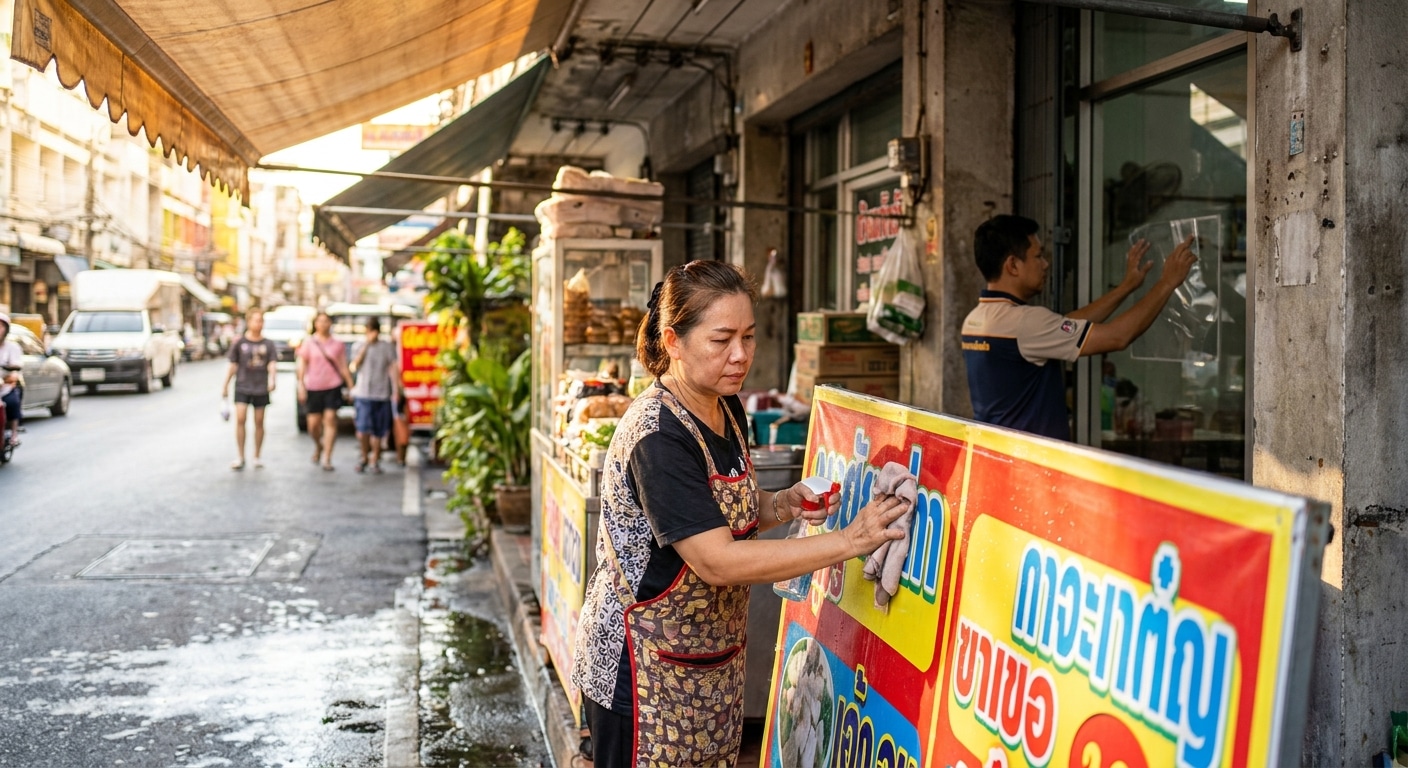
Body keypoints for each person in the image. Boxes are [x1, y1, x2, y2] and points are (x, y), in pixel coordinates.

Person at [570, 260, 908, 768]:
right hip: (639, 673)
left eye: (748, 337)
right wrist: (850, 541)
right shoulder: (658, 436)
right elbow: (717, 560)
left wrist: (783, 503)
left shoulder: (726, 407)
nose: (740, 355)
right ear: (673, 341)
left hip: (707, 665)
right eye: (721, 339)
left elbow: (723, 510)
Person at [961, 214, 1197, 441]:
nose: (1045, 264)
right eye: (1038, 256)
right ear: (1013, 265)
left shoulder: (975, 319)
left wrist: (1126, 287)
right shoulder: (1024, 322)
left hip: (996, 450)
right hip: (1031, 459)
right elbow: (1118, 337)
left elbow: (1063, 327)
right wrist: (1167, 282)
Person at [220, 308, 278, 470]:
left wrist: (272, 379)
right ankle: (240, 456)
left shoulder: (268, 344)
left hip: (260, 387)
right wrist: (225, 385)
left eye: (261, 321)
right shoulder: (240, 342)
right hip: (242, 386)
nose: (258, 324)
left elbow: (272, 363)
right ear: (249, 321)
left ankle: (257, 456)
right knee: (240, 419)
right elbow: (233, 365)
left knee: (259, 421)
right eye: (256, 320)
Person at [296, 311, 353, 471]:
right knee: (313, 425)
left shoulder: (337, 344)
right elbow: (302, 365)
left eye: (326, 321)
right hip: (313, 386)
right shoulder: (309, 343)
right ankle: (319, 445)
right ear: (315, 324)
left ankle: (327, 457)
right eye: (320, 321)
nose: (323, 324)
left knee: (330, 419)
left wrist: (350, 386)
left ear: (330, 324)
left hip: (332, 386)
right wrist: (301, 385)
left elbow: (343, 366)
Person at [349, 317, 400, 474]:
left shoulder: (386, 347)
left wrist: (396, 390)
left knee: (379, 430)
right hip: (363, 393)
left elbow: (393, 367)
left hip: (382, 394)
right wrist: (366, 345)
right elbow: (354, 365)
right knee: (363, 429)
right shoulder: (358, 345)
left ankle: (375, 460)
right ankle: (364, 457)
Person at [0, 314, 23, 447]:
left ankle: (14, 434)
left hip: (5, 386)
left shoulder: (12, 347)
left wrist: (9, 367)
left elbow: (16, 365)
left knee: (13, 402)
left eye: (0, 326)